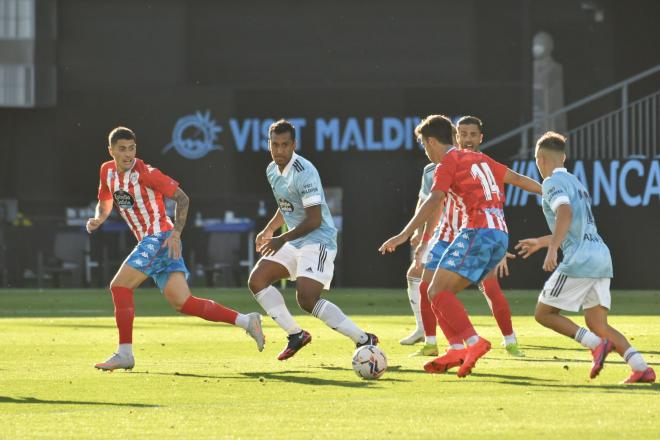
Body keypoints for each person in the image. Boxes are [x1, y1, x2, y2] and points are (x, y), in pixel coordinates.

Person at [88, 127, 264, 371]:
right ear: (111, 151)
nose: (128, 154)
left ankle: (125, 353)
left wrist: (176, 234)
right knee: (184, 303)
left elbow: (183, 198)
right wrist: (99, 218)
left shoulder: (147, 173)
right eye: (122, 149)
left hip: (159, 237)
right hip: (156, 241)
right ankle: (247, 321)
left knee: (119, 286)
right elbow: (105, 201)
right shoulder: (107, 171)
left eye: (132, 148)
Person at [380, 115, 541, 377]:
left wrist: (403, 234)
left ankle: (474, 343)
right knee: (433, 290)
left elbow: (433, 201)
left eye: (423, 145)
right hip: (498, 233)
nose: (425, 150)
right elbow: (519, 180)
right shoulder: (480, 158)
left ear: (431, 141)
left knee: (439, 292)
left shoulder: (447, 163)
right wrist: (550, 192)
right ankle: (456, 348)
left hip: (477, 231)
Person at [515, 131, 655, 384]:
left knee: (544, 313)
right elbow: (573, 226)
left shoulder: (550, 183)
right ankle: (641, 367)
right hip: (600, 256)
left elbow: (565, 214)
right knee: (597, 322)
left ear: (540, 159)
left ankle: (595, 345)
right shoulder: (576, 182)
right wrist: (542, 241)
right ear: (564, 157)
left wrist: (552, 248)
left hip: (580, 260)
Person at [248, 119, 378, 361]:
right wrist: (268, 229)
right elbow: (285, 205)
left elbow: (314, 219)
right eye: (274, 145)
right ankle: (296, 334)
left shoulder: (304, 172)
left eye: (285, 145)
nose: (279, 150)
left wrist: (280, 239)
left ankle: (363, 339)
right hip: (294, 239)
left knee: (306, 299)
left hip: (318, 240)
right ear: (269, 144)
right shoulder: (271, 170)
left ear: (294, 144)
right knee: (257, 280)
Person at [412, 116, 524, 358]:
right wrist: (424, 239)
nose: (467, 139)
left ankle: (509, 340)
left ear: (480, 137)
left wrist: (497, 246)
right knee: (427, 288)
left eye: (472, 134)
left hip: (475, 235)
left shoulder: (483, 166)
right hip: (447, 236)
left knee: (489, 287)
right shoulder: (436, 168)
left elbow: (492, 206)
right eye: (462, 134)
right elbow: (434, 205)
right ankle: (438, 343)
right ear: (455, 137)